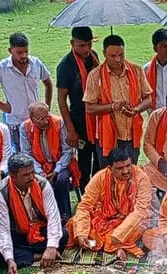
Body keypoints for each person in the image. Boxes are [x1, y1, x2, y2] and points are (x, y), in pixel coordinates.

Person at [67, 148, 153, 260]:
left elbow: (141, 210)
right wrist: (82, 233)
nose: (126, 171)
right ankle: (116, 247)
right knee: (74, 224)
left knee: (141, 228)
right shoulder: (100, 177)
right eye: (120, 168)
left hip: (130, 221)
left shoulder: (141, 178)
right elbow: (85, 205)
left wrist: (119, 234)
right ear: (110, 169)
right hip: (104, 219)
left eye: (128, 166)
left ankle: (110, 244)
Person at [0, 32, 53, 153]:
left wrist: (46, 107)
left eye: (26, 51)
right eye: (19, 52)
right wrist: (2, 106)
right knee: (21, 156)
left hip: (37, 120)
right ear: (10, 50)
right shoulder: (2, 68)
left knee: (42, 153)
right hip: (16, 121)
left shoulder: (36, 63)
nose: (24, 55)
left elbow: (48, 83)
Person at [0, 153, 68, 274]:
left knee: (63, 234)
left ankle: (26, 254)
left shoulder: (42, 184)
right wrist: (9, 259)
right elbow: (3, 229)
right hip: (16, 235)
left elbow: (53, 216)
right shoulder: (0, 192)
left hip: (39, 233)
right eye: (26, 175)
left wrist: (51, 247)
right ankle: (36, 255)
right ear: (13, 176)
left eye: (32, 172)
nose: (32, 177)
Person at [83, 34, 152, 166]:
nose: (118, 59)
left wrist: (136, 109)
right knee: (109, 173)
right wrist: (114, 106)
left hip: (132, 135)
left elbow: (148, 99)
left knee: (131, 172)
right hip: (107, 136)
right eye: (113, 56)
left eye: (121, 55)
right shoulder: (95, 75)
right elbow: (89, 108)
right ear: (104, 53)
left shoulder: (136, 71)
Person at [56, 26, 101, 193]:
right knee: (84, 160)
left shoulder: (94, 57)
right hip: (80, 121)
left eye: (89, 44)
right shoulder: (65, 66)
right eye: (82, 45)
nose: (87, 49)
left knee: (100, 157)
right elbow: (62, 101)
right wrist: (71, 129)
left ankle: (97, 190)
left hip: (98, 117)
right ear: (72, 43)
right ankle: (85, 193)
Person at [20, 102, 79, 222]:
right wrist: (40, 172)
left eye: (47, 116)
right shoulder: (24, 128)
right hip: (38, 166)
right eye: (41, 119)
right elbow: (27, 154)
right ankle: (45, 215)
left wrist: (56, 170)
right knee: (36, 181)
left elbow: (67, 151)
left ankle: (64, 214)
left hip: (61, 163)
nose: (46, 121)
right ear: (32, 118)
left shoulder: (59, 123)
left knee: (61, 180)